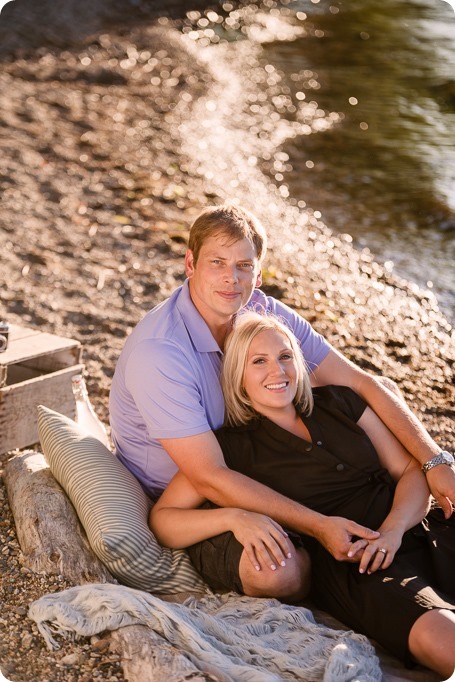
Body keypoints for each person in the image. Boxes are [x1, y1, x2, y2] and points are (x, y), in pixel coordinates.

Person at [109, 203, 455, 595]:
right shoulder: (160, 353)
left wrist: (434, 460)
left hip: (259, 457)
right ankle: (331, 572)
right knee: (276, 572)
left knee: (378, 408)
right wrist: (315, 524)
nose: (230, 279)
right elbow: (210, 476)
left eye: (243, 265)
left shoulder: (263, 311)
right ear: (190, 263)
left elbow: (364, 383)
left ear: (258, 273)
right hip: (192, 492)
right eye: (217, 263)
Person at [149, 311, 455, 678]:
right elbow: (164, 518)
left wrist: (393, 530)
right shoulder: (231, 450)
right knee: (445, 642)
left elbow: (409, 471)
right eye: (258, 361)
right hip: (362, 569)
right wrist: (232, 516)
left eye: (285, 356)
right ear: (237, 376)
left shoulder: (340, 403)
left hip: (417, 527)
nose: (277, 371)